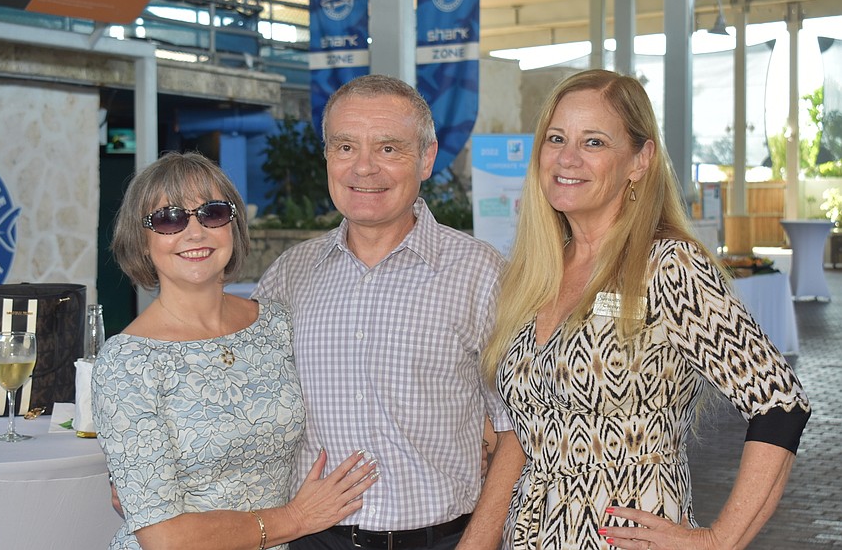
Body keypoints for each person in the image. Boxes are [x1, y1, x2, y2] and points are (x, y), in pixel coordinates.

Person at [481, 69, 811, 550]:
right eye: (556, 138)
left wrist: (718, 540)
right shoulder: (537, 273)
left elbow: (780, 404)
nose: (566, 158)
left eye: (593, 142)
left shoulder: (667, 265)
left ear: (640, 159)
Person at [253, 74, 525, 550]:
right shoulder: (288, 276)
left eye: (387, 149)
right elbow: (243, 402)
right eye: (344, 147)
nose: (363, 168)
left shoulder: (481, 274)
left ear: (426, 158)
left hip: (443, 539)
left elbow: (519, 426)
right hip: (315, 540)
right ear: (327, 157)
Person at [93, 151, 379, 550]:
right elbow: (164, 537)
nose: (194, 233)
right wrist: (295, 518)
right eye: (169, 219)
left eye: (211, 213)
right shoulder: (127, 362)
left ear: (233, 226)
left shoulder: (277, 324)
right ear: (141, 241)